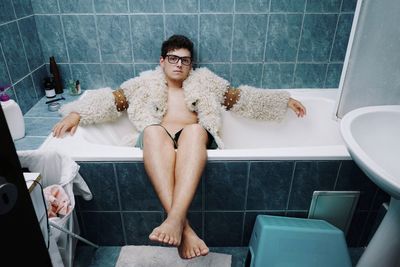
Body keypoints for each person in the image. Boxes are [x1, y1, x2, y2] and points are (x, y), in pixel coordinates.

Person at [52, 35, 306, 259]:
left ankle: (174, 221)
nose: (179, 65)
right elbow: (111, 100)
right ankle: (183, 228)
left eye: (185, 60)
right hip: (157, 140)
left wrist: (281, 101)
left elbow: (241, 98)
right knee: (151, 130)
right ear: (161, 61)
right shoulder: (143, 84)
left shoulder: (205, 82)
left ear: (191, 64)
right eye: (173, 59)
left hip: (192, 141)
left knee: (196, 130)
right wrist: (77, 114)